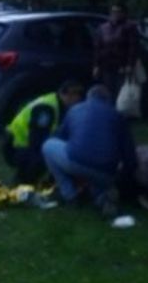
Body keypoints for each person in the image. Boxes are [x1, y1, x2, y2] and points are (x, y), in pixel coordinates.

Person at [41, 84, 138, 216]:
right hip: (106, 172)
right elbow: (130, 157)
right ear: (108, 99)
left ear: (88, 97)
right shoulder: (118, 116)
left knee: (48, 145)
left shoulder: (75, 110)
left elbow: (59, 137)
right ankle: (102, 198)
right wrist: (123, 180)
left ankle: (70, 195)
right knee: (96, 176)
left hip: (77, 161)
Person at [2, 80, 86, 184]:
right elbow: (37, 140)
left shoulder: (58, 105)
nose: (78, 101)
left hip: (23, 145)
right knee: (45, 154)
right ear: (69, 94)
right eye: (77, 96)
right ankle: (25, 183)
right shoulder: (46, 108)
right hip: (15, 147)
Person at [92, 2, 141, 95]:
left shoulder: (130, 27)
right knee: (107, 91)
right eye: (113, 11)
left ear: (124, 13)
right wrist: (96, 65)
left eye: (118, 11)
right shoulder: (103, 27)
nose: (115, 14)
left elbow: (133, 47)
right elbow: (97, 48)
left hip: (121, 66)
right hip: (106, 65)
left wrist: (129, 65)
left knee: (120, 93)